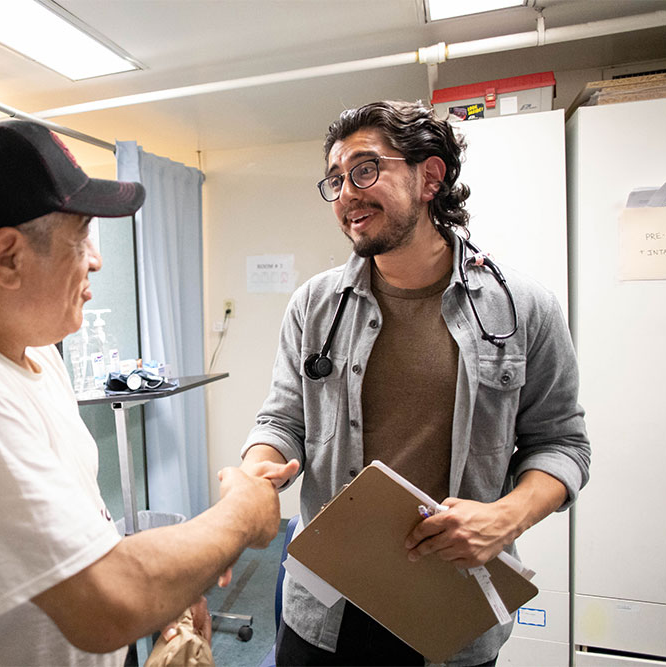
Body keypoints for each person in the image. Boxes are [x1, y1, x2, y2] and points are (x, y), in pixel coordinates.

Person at [0, 119, 291, 665]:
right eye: (81, 238)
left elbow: (76, 525)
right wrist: (243, 513)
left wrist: (166, 589)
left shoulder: (27, 352)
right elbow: (105, 600)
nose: (96, 259)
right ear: (8, 258)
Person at [241, 100, 590, 667]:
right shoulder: (315, 305)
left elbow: (563, 444)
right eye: (335, 180)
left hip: (449, 607)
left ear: (430, 176)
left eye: (364, 170)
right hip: (328, 603)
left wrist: (507, 517)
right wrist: (258, 470)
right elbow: (282, 420)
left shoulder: (523, 308)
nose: (347, 193)